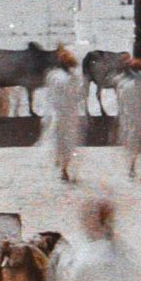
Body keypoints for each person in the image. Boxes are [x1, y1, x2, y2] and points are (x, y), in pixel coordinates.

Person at [43, 45, 85, 183]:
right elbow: (80, 96)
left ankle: (61, 163)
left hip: (58, 112)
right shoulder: (75, 78)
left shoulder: (52, 76)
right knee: (68, 140)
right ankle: (64, 167)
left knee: (58, 138)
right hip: (70, 113)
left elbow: (49, 96)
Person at [113, 57, 141, 181]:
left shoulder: (122, 83)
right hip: (139, 116)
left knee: (130, 141)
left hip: (127, 117)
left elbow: (119, 100)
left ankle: (132, 167)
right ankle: (138, 168)